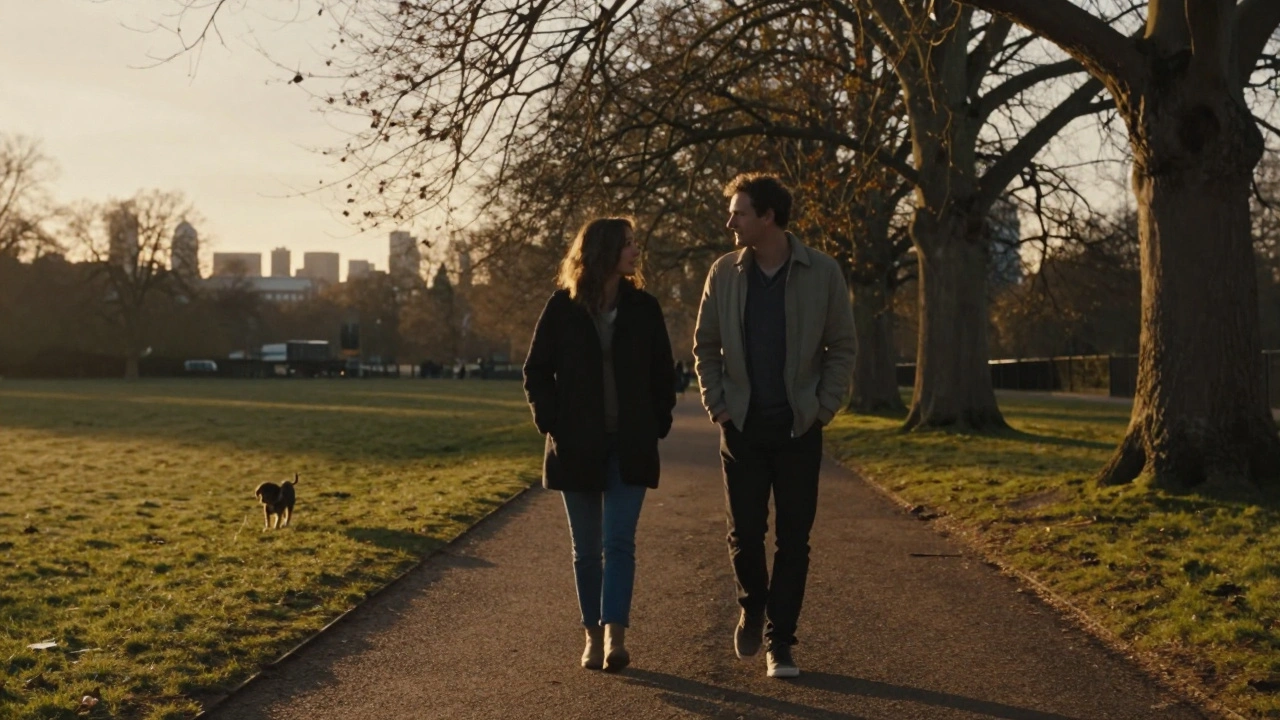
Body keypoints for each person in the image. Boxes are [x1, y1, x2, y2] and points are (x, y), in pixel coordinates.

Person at [693, 173, 856, 678]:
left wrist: (822, 408)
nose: (730, 221)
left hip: (798, 429)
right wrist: (718, 405)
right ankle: (753, 604)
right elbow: (705, 346)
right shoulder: (723, 273)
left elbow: (842, 348)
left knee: (794, 540)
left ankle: (780, 642)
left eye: (739, 212)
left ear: (767, 217)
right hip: (740, 426)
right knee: (743, 532)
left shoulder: (823, 272)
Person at [523, 216, 677, 673]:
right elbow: (535, 371)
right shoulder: (562, 307)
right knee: (586, 549)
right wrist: (552, 423)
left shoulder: (645, 308)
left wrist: (657, 422)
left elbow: (663, 374)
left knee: (619, 541)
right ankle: (591, 635)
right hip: (576, 446)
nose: (636, 251)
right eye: (628, 244)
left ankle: (615, 638)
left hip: (629, 445)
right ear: (604, 252)